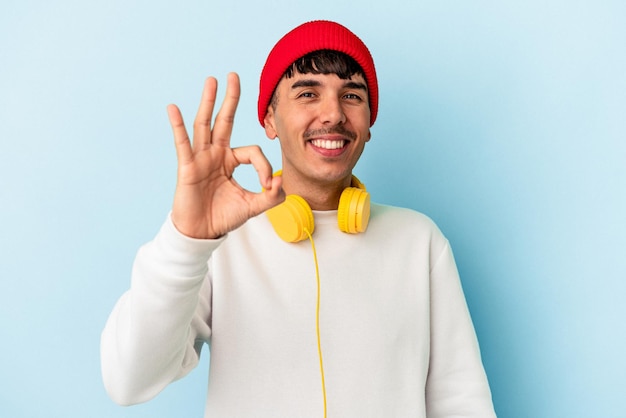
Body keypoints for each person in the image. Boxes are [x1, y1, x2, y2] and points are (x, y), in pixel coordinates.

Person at [101, 20, 497, 418]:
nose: (333, 114)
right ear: (270, 119)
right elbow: (128, 380)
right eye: (308, 92)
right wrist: (185, 241)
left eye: (352, 95)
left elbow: (461, 401)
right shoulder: (221, 243)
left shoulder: (419, 241)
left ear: (370, 123)